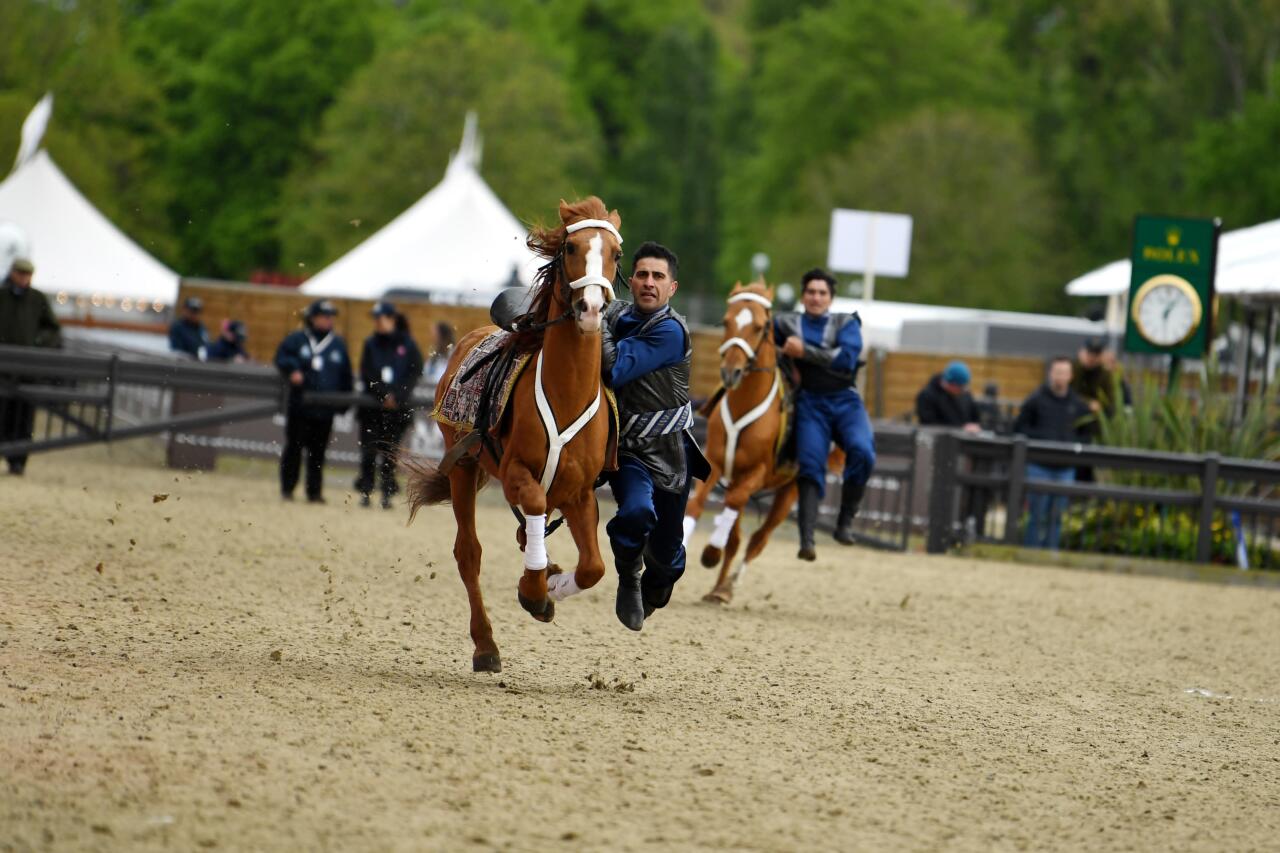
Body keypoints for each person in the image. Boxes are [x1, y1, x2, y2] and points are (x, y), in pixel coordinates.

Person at [601, 241, 710, 631]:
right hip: (627, 450)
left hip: (671, 453)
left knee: (667, 556)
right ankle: (628, 576)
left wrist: (595, 322)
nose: (649, 282)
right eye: (643, 275)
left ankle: (656, 581)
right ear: (631, 281)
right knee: (635, 512)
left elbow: (614, 368)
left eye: (658, 277)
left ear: (672, 288)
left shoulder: (670, 331)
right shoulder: (614, 315)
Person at [774, 268, 876, 560]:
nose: (816, 297)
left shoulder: (847, 322)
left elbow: (846, 358)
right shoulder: (786, 322)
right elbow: (760, 338)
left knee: (863, 451)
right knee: (810, 465)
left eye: (822, 293)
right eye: (811, 292)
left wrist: (803, 351)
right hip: (809, 402)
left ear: (831, 298)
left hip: (845, 400)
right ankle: (807, 540)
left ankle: (845, 521)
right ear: (803, 295)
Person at [273, 300, 353, 503]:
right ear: (313, 317)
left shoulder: (337, 344)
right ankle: (288, 488)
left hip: (325, 410)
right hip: (300, 406)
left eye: (331, 316)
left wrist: (343, 404)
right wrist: (293, 369)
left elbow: (346, 376)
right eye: (324, 316)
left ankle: (314, 492)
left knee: (318, 453)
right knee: (294, 448)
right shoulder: (298, 339)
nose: (328, 320)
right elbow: (281, 356)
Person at [1012, 356, 1091, 550]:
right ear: (1050, 374)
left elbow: (1087, 433)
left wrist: (1073, 445)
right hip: (1039, 465)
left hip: (1065, 467)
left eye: (1064, 373)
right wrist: (1042, 439)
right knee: (1036, 515)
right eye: (1057, 372)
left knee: (1057, 516)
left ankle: (1051, 553)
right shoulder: (1035, 399)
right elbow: (1019, 428)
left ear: (1070, 376)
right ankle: (1031, 553)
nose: (1060, 377)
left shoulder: (1078, 404)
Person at [355, 302, 423, 508]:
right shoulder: (370, 343)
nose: (378, 323)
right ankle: (366, 491)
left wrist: (398, 396)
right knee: (368, 451)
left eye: (381, 318)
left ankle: (387, 492)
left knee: (390, 453)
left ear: (392, 319)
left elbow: (414, 372)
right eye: (376, 319)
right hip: (372, 407)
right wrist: (383, 394)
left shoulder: (408, 344)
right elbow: (367, 372)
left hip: (397, 411)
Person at [0, 258, 61, 475]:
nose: (24, 278)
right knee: (3, 414)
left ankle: (19, 460)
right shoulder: (2, 295)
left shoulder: (37, 299)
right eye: (21, 274)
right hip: (3, 368)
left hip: (27, 370)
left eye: (27, 275)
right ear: (13, 273)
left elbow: (53, 329)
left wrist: (37, 342)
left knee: (23, 417)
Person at [915, 360, 981, 431]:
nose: (963, 390)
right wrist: (961, 428)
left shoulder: (965, 395)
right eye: (961, 387)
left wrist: (975, 426)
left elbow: (975, 418)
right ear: (952, 384)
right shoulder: (926, 397)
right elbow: (930, 426)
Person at [424, 321, 454, 385]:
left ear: (442, 336)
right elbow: (426, 372)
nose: (432, 338)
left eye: (435, 335)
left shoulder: (452, 354)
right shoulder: (434, 354)